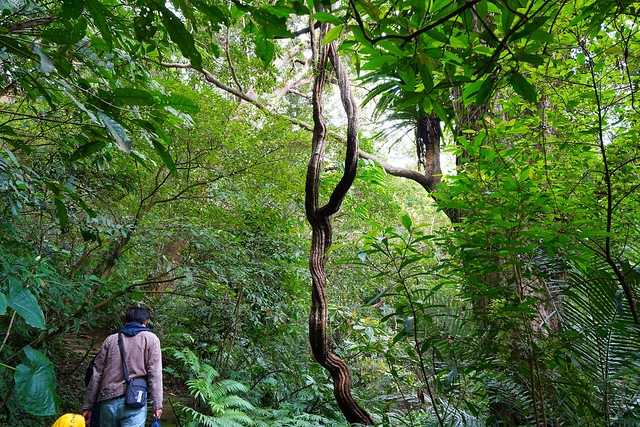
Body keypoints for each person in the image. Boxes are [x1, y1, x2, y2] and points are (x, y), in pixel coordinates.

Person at [82, 306, 163, 427]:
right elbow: (155, 374)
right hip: (135, 400)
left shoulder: (111, 339)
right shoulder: (151, 339)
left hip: (108, 400)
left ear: (126, 321)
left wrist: (88, 405)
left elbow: (96, 374)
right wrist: (157, 404)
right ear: (145, 322)